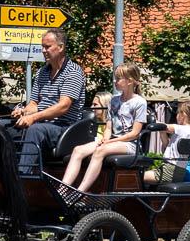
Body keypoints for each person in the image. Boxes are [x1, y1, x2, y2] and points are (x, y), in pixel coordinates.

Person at [61, 62, 148, 192]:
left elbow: (134, 134)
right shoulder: (114, 100)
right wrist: (105, 139)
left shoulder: (140, 102)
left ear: (129, 81)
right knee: (78, 150)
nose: (115, 81)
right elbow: (108, 128)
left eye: (118, 78)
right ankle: (63, 189)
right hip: (112, 141)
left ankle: (80, 191)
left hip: (130, 145)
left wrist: (109, 142)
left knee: (100, 151)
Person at [10, 28, 86, 176]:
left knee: (35, 130)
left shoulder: (73, 72)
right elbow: (33, 104)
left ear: (61, 47)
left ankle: (23, 176)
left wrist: (33, 118)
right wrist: (23, 112)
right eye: (42, 47)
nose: (43, 51)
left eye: (47, 47)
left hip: (64, 127)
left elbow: (63, 106)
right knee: (3, 127)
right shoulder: (42, 72)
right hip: (41, 123)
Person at [144, 101, 190, 185]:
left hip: (170, 169)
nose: (176, 116)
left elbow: (165, 126)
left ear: (183, 115)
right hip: (177, 170)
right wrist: (162, 131)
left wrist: (148, 117)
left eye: (178, 113)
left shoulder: (183, 129)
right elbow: (166, 145)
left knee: (137, 176)